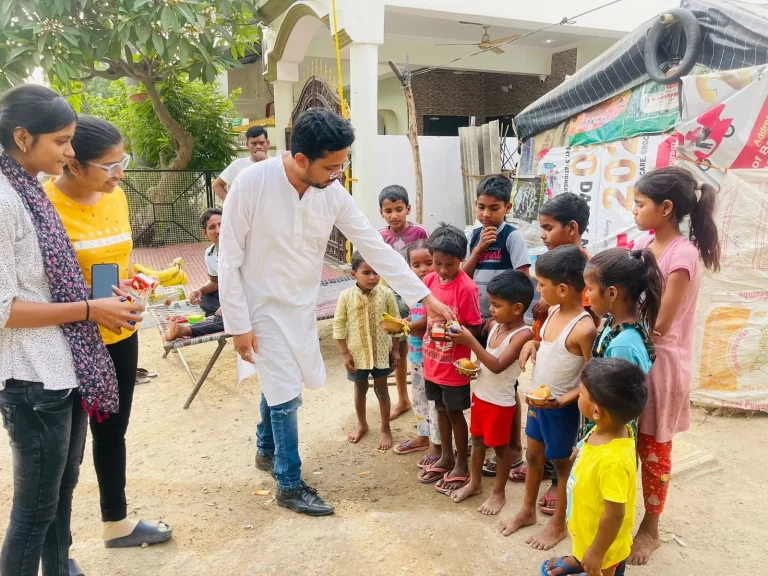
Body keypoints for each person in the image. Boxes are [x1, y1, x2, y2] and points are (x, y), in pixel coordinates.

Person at [218, 108, 454, 517]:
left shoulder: (332, 192)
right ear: (302, 159)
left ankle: (264, 449)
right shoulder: (251, 184)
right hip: (259, 307)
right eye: (332, 166)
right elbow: (229, 258)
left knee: (281, 381)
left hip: (300, 306)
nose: (338, 174)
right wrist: (238, 325)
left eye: (342, 165)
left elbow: (375, 246)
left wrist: (424, 297)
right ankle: (289, 484)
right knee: (286, 395)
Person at [0, 85, 143, 576]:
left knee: (62, 483)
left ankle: (59, 567)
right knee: (37, 505)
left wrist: (112, 295)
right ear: (23, 138)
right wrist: (88, 310)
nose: (67, 150)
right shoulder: (12, 201)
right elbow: (6, 306)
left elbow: (67, 278)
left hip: (67, 360)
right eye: (62, 142)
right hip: (36, 371)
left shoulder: (26, 194)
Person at [45, 116, 173, 550]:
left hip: (119, 335)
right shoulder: (43, 208)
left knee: (111, 432)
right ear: (73, 164)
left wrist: (143, 281)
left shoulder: (113, 197)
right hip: (69, 345)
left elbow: (120, 263)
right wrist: (90, 306)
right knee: (64, 453)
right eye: (110, 164)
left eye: (123, 160)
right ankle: (57, 550)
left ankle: (115, 522)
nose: (120, 172)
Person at [627, 166, 720, 565]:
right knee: (625, 440)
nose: (634, 210)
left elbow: (662, 323)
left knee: (654, 447)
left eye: (640, 203)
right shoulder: (648, 244)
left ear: (665, 208)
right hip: (638, 355)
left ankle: (651, 527)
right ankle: (620, 514)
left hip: (662, 363)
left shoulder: (681, 255)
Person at [498, 245, 596, 551]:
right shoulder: (552, 311)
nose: (537, 289)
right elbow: (544, 343)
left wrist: (566, 400)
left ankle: (558, 525)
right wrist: (532, 346)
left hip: (561, 409)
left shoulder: (584, 328)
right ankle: (527, 511)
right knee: (533, 458)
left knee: (562, 465)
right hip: (538, 404)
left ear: (563, 289)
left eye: (542, 285)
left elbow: (593, 378)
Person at [513, 192, 593, 513]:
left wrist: (567, 399)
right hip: (540, 392)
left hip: (564, 396)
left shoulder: (584, 291)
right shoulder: (553, 300)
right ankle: (530, 504)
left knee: (563, 458)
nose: (543, 234)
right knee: (536, 451)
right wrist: (534, 341)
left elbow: (589, 366)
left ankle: (560, 501)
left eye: (547, 227)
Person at [542, 358, 647, 576]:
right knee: (585, 549)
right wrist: (580, 451)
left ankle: (587, 560)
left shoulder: (613, 461)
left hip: (605, 551)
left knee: (597, 568)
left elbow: (616, 515)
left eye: (581, 394)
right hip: (588, 530)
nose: (578, 396)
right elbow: (589, 443)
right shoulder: (609, 427)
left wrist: (597, 553)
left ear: (597, 411)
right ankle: (579, 558)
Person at [462, 174, 531, 479]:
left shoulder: (511, 237)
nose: (487, 214)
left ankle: (512, 447)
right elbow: (463, 275)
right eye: (481, 207)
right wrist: (477, 250)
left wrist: (502, 316)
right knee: (484, 377)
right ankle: (485, 437)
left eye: (494, 208)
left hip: (498, 320)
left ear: (507, 207)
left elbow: (523, 279)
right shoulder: (474, 236)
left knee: (507, 386)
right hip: (476, 317)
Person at [447, 270, 533, 515]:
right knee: (477, 442)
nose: (491, 309)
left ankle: (498, 492)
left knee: (500, 449)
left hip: (500, 403)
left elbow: (497, 366)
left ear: (517, 308)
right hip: (481, 396)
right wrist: (473, 368)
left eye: (496, 305)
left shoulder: (522, 334)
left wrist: (470, 342)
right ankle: (474, 483)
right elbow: (487, 362)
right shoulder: (495, 326)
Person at [416, 224, 482, 494]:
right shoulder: (429, 282)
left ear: (461, 260)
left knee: (455, 412)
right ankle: (446, 456)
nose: (442, 270)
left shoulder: (466, 288)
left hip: (454, 366)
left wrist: (457, 335)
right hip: (432, 361)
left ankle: (462, 464)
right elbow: (427, 317)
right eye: (437, 263)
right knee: (439, 409)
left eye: (450, 264)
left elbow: (475, 327)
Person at [333, 252, 400, 451]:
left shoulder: (386, 294)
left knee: (382, 390)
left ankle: (385, 428)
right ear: (353, 275)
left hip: (381, 353)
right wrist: (345, 353)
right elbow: (339, 324)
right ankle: (362, 424)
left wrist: (395, 350)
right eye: (366, 272)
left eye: (376, 272)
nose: (372, 277)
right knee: (359, 389)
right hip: (357, 354)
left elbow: (396, 322)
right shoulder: (345, 296)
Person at [378, 185, 429, 421]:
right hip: (392, 296)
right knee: (398, 350)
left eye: (399, 209)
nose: (394, 215)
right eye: (388, 210)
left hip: (418, 295)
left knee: (421, 343)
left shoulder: (419, 232)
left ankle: (426, 396)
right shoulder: (380, 237)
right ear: (382, 213)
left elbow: (430, 262)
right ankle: (403, 399)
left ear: (408, 208)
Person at [392, 240, 442, 465]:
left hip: (434, 357)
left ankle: (437, 443)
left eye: (428, 263)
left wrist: (406, 326)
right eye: (416, 264)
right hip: (416, 354)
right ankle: (424, 436)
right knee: (419, 398)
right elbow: (415, 318)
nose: (423, 269)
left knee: (434, 401)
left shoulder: (436, 290)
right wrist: (406, 321)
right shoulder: (412, 290)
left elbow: (426, 320)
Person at [164, 209, 226, 341]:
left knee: (234, 313)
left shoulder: (240, 249)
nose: (218, 231)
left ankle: (183, 330)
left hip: (248, 298)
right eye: (212, 227)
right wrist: (200, 291)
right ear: (205, 233)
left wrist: (228, 304)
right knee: (205, 298)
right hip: (227, 295)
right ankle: (219, 318)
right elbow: (215, 281)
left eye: (222, 224)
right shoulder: (210, 253)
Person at [213, 126, 270, 200]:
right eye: (254, 143)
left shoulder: (277, 163)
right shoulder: (238, 164)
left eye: (261, 143)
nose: (258, 147)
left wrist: (266, 161)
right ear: (247, 145)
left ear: (268, 143)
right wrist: (231, 204)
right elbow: (217, 185)